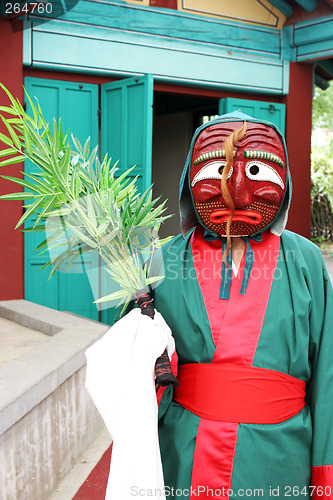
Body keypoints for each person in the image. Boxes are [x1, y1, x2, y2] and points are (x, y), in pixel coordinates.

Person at [86, 111, 333, 500]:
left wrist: (324, 473)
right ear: (189, 178)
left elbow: (327, 374)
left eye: (255, 171)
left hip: (280, 456)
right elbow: (130, 360)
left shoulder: (306, 259)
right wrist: (142, 341)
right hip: (184, 448)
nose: (234, 189)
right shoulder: (160, 259)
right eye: (217, 170)